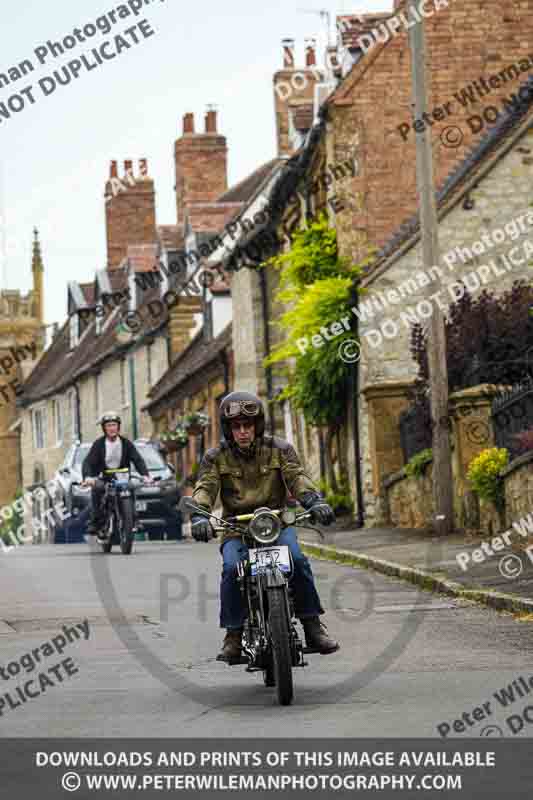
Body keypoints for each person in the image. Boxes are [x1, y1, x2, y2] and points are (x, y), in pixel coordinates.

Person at [190, 391, 340, 663]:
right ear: (229, 429)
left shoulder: (280, 449)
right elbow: (205, 488)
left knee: (297, 561)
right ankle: (233, 636)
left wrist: (314, 502)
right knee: (231, 570)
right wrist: (200, 516)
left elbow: (298, 478)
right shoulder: (215, 457)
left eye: (248, 425)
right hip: (237, 527)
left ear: (257, 425)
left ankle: (312, 626)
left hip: (277, 522)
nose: (243, 431)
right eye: (237, 427)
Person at [82, 412, 153, 540]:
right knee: (97, 489)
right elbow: (88, 462)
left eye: (114, 425)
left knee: (130, 488)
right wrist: (88, 477)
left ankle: (134, 519)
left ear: (118, 427)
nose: (112, 428)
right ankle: (96, 521)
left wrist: (145, 475)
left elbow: (138, 460)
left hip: (123, 478)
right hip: (105, 478)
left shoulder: (126, 443)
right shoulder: (99, 444)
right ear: (104, 428)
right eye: (109, 425)